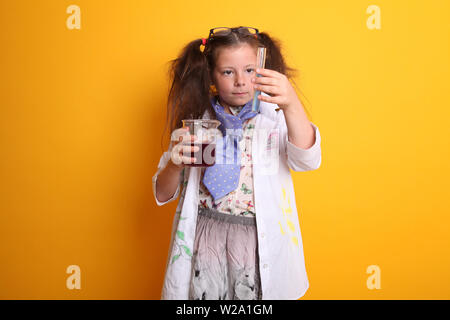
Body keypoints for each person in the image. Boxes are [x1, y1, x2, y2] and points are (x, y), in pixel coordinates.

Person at [152, 26, 322, 300]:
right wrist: (174, 163)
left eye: (250, 70)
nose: (241, 81)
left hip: (257, 240)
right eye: (228, 72)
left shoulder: (274, 117)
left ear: (263, 69)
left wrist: (291, 103)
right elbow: (162, 193)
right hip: (205, 238)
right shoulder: (197, 122)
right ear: (212, 76)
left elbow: (308, 160)